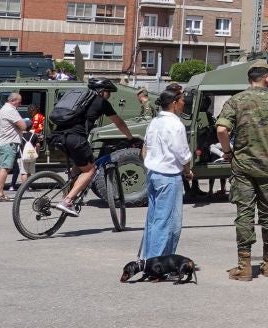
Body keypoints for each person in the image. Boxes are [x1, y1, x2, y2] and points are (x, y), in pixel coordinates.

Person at [214, 65, 268, 281]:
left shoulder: (236, 100)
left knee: (245, 215)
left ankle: (245, 266)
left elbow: (221, 129)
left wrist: (228, 152)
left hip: (243, 168)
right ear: (267, 79)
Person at [53, 78, 135, 216]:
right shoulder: (101, 102)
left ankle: (67, 195)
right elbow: (119, 123)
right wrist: (130, 137)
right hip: (76, 139)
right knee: (90, 170)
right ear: (101, 91)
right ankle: (67, 201)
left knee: (79, 167)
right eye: (108, 92)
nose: (109, 96)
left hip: (58, 136)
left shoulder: (78, 98)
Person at [138, 89, 192, 260]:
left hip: (153, 174)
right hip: (168, 176)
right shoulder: (176, 125)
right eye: (182, 100)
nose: (184, 103)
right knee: (168, 222)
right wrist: (188, 171)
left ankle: (149, 258)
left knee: (154, 220)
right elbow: (182, 153)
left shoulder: (154, 121)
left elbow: (145, 149)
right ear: (175, 103)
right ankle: (158, 263)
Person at [0, 91, 28, 202]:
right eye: (19, 102)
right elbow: (23, 126)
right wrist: (25, 122)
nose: (20, 104)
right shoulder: (11, 110)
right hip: (9, 143)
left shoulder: (4, 109)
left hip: (3, 142)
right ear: (13, 101)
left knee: (2, 167)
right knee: (5, 168)